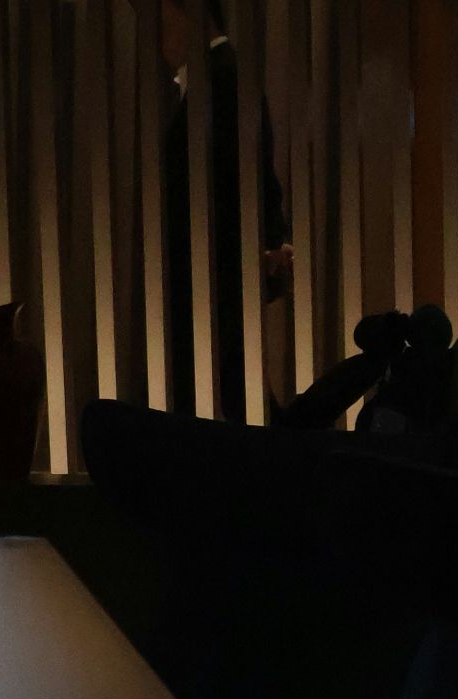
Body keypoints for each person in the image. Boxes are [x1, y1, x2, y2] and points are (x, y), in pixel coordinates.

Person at [159, 0, 290, 424]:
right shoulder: (216, 78)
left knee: (234, 389)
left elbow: (245, 175)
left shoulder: (223, 78)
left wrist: (269, 242)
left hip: (215, 270)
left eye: (165, 21)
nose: (160, 39)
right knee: (236, 388)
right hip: (218, 269)